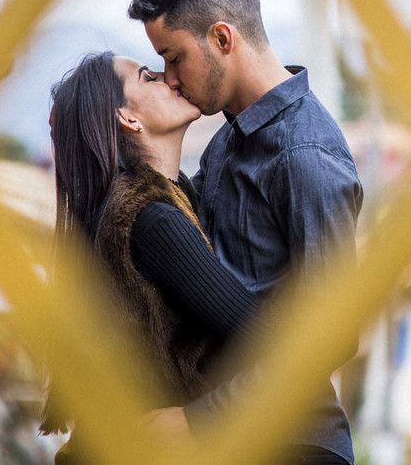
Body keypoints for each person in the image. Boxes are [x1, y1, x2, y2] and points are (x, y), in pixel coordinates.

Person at [128, 0, 363, 465]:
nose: (168, 77)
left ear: (222, 38)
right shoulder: (229, 140)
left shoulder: (305, 155)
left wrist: (196, 420)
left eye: (173, 57)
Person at [41, 51, 263, 463]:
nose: (169, 77)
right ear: (128, 118)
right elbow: (266, 336)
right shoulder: (150, 218)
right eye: (148, 77)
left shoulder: (129, 209)